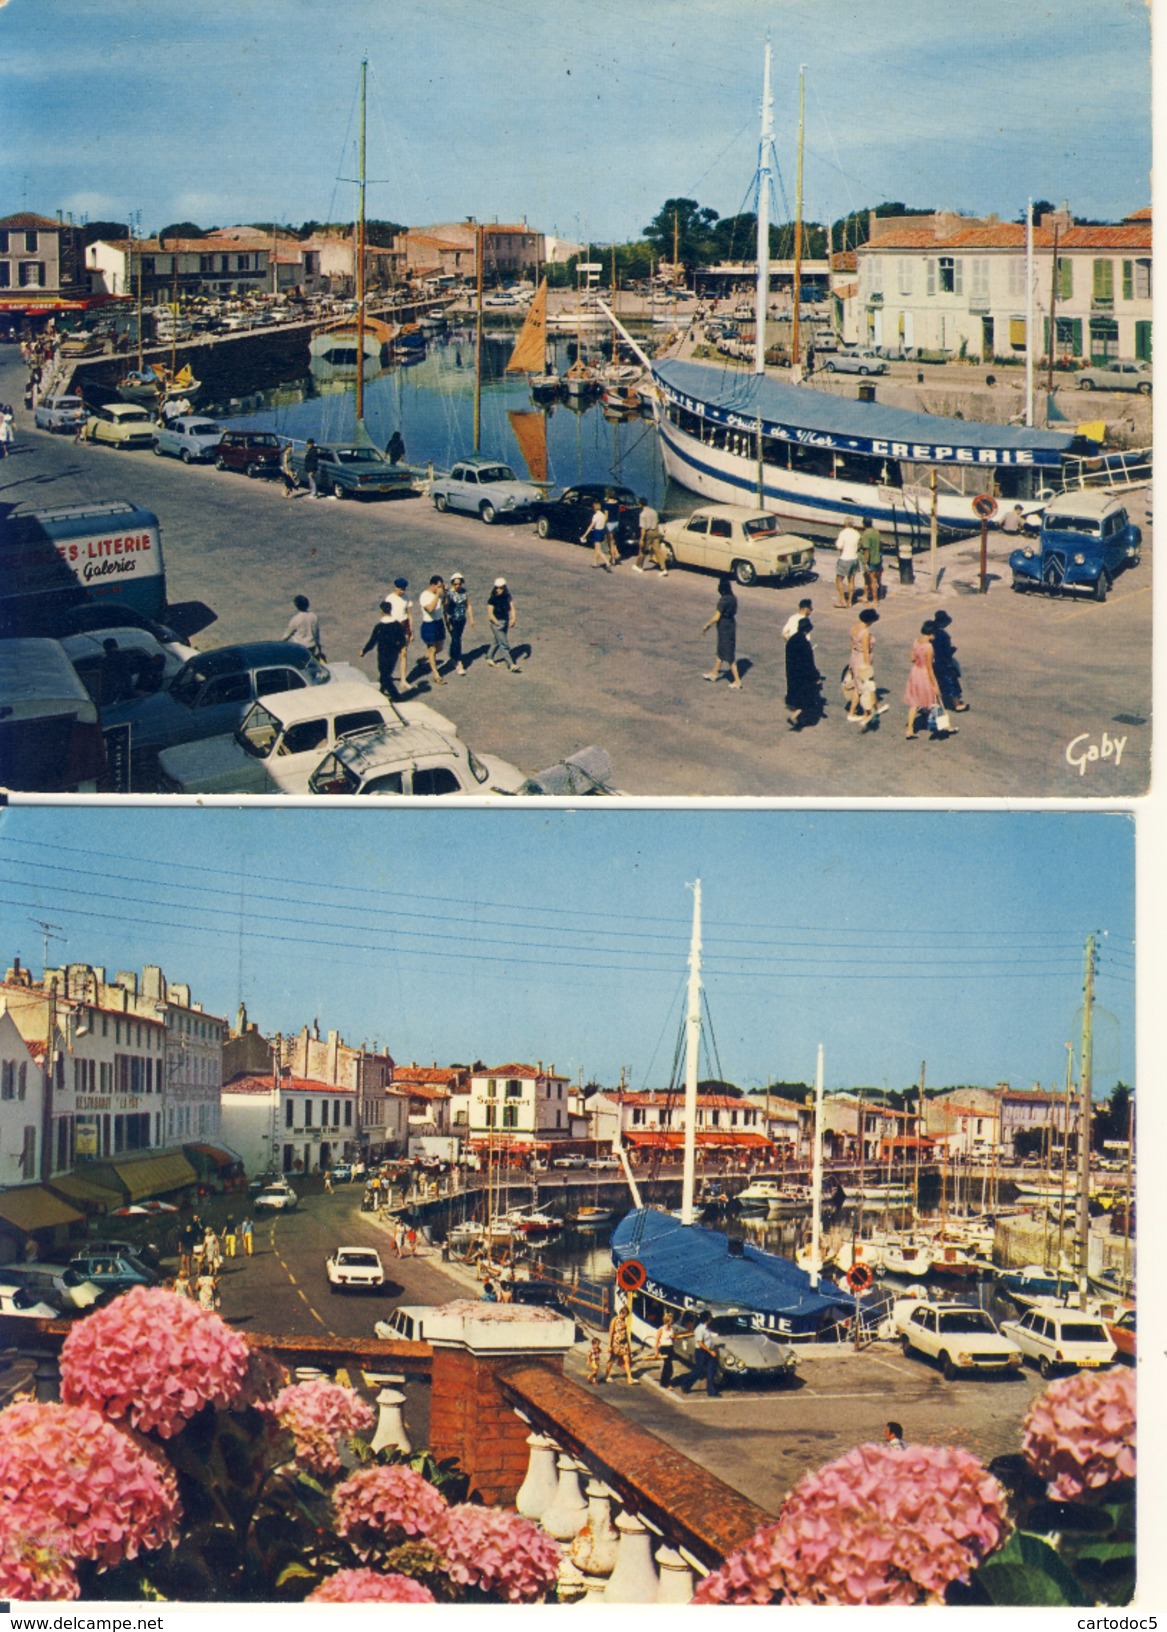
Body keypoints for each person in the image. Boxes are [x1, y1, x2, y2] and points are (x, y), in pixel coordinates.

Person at [904, 620, 942, 740]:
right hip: (924, 674)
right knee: (935, 698)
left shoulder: (916, 641)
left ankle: (909, 729)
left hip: (915, 672)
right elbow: (930, 668)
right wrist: (935, 685)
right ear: (932, 633)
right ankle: (942, 725)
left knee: (914, 702)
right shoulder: (929, 647)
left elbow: (912, 658)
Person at [702, 577, 742, 688]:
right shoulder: (733, 598)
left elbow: (716, 617)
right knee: (721, 652)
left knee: (729, 656)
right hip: (731, 625)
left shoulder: (723, 601)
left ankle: (737, 681)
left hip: (724, 627)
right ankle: (714, 674)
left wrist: (707, 624)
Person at [846, 607, 882, 729]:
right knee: (864, 687)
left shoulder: (854, 627)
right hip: (862, 659)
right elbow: (866, 651)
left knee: (858, 687)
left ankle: (853, 712)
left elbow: (851, 644)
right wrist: (867, 668)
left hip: (854, 657)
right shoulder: (865, 632)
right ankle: (866, 712)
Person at [785, 616, 824, 730]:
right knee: (808, 697)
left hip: (792, 672)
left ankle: (796, 714)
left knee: (797, 695)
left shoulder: (792, 640)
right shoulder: (805, 643)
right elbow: (809, 662)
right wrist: (816, 676)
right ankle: (795, 716)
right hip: (803, 675)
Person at [930, 609, 968, 712]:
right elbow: (945, 652)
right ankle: (957, 704)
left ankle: (934, 703)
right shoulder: (943, 636)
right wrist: (953, 649)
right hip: (944, 663)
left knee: (936, 682)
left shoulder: (932, 632)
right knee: (951, 682)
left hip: (934, 662)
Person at [680, 1309, 721, 1397]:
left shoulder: (707, 1328)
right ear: (707, 1319)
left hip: (708, 1351)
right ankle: (686, 1384)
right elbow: (700, 1343)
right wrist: (710, 1351)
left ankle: (711, 1391)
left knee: (710, 1371)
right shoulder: (699, 1329)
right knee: (698, 1370)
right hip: (702, 1352)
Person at [417, 575, 448, 687]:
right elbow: (430, 609)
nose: (440, 588)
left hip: (439, 622)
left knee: (440, 648)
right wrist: (438, 595)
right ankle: (436, 675)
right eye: (438, 586)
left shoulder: (437, 594)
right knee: (432, 649)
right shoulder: (424, 596)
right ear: (433, 585)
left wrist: (444, 594)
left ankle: (424, 658)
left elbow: (444, 604)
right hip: (429, 624)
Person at [486, 578, 520, 672]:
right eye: (497, 588)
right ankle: (511, 665)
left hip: (505, 621)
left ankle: (489, 657)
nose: (498, 590)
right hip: (496, 623)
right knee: (504, 644)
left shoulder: (507, 597)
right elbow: (490, 614)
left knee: (497, 641)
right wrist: (497, 624)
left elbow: (512, 608)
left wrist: (513, 618)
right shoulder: (492, 599)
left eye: (501, 588)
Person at [444, 572, 474, 675]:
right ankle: (459, 662)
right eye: (455, 584)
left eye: (459, 583)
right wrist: (448, 623)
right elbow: (446, 607)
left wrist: (471, 619)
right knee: (457, 640)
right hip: (453, 620)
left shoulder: (464, 592)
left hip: (462, 620)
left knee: (456, 639)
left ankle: (453, 657)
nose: (457, 586)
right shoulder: (449, 593)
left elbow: (468, 605)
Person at [604, 1301, 637, 1384]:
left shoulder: (624, 1321)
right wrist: (609, 1345)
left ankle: (630, 1378)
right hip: (616, 1343)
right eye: (625, 1315)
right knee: (612, 1359)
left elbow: (625, 1334)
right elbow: (611, 1332)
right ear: (621, 1313)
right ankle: (607, 1375)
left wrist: (628, 1345)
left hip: (624, 1343)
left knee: (627, 1359)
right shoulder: (615, 1320)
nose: (625, 1317)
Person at [633, 496, 667, 573]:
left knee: (643, 549)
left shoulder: (642, 514)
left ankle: (639, 566)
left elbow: (643, 528)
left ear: (641, 504)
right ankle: (663, 568)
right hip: (655, 531)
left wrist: (641, 539)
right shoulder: (654, 511)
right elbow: (657, 522)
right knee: (657, 550)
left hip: (648, 532)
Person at [835, 521, 861, 607]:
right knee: (851, 579)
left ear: (845, 524)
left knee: (839, 579)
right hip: (854, 558)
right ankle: (850, 601)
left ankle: (843, 601)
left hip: (845, 558)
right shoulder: (856, 533)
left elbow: (839, 546)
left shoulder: (843, 533)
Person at [858, 517, 883, 602]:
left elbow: (866, 550)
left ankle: (875, 600)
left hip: (871, 560)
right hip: (878, 558)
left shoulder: (866, 534)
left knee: (872, 580)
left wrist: (865, 563)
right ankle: (867, 595)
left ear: (863, 524)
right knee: (873, 578)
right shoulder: (876, 532)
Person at [582, 498, 610, 570]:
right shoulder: (602, 515)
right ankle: (595, 563)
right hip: (601, 532)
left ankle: (607, 562)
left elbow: (591, 526)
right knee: (596, 548)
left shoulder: (595, 516)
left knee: (598, 550)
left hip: (596, 532)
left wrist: (585, 535)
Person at [654, 1311, 677, 1389]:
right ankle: (666, 1383)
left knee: (667, 1366)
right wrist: (656, 1352)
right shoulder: (661, 1329)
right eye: (671, 1320)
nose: (672, 1321)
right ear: (668, 1320)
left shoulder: (671, 1329)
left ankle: (664, 1382)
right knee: (668, 1366)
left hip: (670, 1348)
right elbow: (657, 1341)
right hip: (664, 1348)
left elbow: (672, 1339)